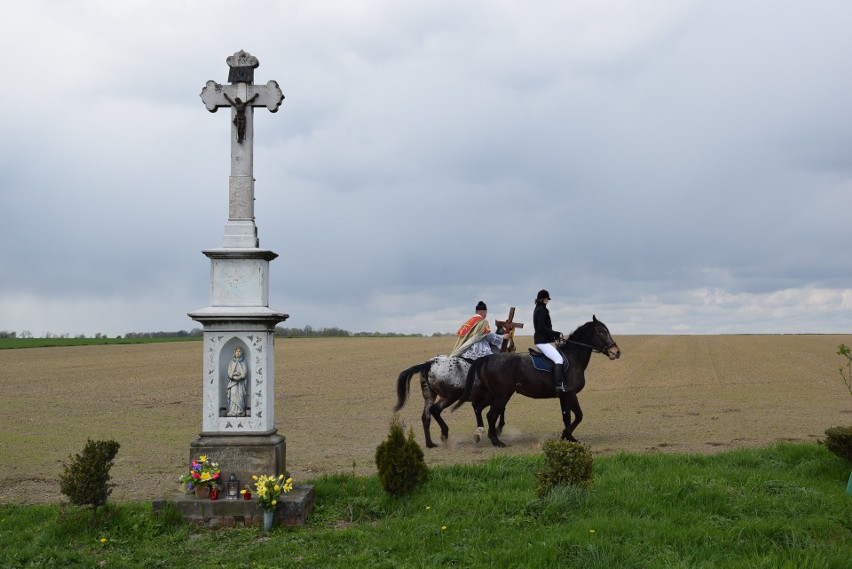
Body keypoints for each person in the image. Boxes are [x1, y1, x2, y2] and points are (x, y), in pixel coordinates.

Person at [533, 289, 568, 392]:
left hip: (542, 341)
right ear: (544, 299)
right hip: (541, 342)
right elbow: (541, 327)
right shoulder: (542, 310)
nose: (548, 301)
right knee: (559, 359)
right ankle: (558, 385)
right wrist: (554, 333)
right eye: (547, 299)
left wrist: (553, 336)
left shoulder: (538, 309)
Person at [226, 346, 248, 416]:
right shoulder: (231, 362)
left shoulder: (243, 362)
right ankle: (232, 411)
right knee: (232, 395)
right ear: (234, 353)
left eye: (239, 351)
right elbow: (229, 372)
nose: (238, 353)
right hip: (232, 383)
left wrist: (240, 377)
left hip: (240, 383)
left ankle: (240, 410)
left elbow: (244, 373)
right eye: (236, 351)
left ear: (241, 353)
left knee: (240, 396)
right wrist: (233, 376)